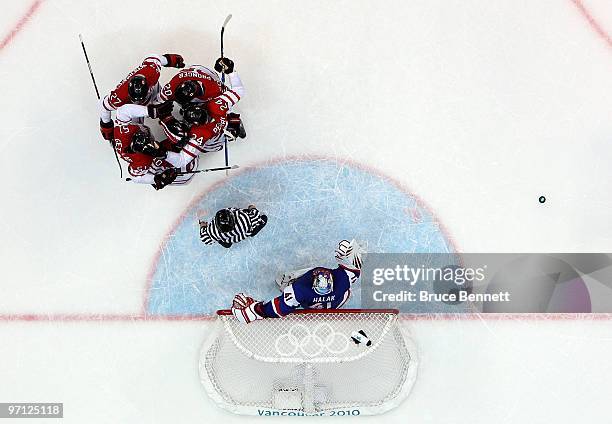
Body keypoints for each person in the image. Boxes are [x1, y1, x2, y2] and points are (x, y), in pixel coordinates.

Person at [230, 240, 366, 323]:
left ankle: (289, 284)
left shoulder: (300, 290)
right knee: (344, 291)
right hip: (336, 303)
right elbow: (355, 270)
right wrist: (348, 257)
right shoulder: (343, 281)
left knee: (312, 273)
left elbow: (278, 309)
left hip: (308, 303)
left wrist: (255, 310)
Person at [98, 53, 185, 142]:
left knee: (168, 102)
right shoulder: (118, 97)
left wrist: (169, 60)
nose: (140, 101)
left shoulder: (151, 72)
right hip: (132, 107)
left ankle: (168, 117)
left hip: (154, 93)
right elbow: (103, 105)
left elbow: (154, 58)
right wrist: (106, 125)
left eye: (142, 98)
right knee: (135, 132)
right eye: (136, 99)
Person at [199, 206, 267, 248]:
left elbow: (205, 237)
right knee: (264, 218)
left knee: (226, 242)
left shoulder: (212, 229)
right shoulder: (244, 218)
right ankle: (254, 232)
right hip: (248, 228)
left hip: (225, 238)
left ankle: (225, 243)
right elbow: (255, 214)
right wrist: (252, 207)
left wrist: (202, 225)